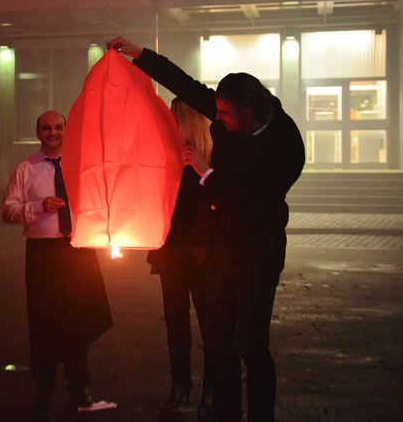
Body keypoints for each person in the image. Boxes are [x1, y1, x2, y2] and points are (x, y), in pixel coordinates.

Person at [107, 37, 305, 422]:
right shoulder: (227, 111)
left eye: (225, 115)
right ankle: (225, 412)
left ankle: (260, 415)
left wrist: (206, 171)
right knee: (217, 338)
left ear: (248, 112)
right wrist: (138, 54)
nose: (218, 120)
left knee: (251, 341)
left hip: (257, 252)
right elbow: (183, 85)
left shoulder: (285, 144)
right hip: (218, 249)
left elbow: (256, 202)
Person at [0, 110, 113, 415]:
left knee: (80, 319)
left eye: (59, 128)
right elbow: (7, 211)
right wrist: (38, 206)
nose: (53, 133)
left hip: (78, 250)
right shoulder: (26, 169)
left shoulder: (80, 166)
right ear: (38, 133)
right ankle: (44, 389)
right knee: (44, 322)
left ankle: (79, 386)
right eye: (47, 128)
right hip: (43, 255)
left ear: (67, 130)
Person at [148, 97, 214, 416]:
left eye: (175, 116)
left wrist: (203, 170)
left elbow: (219, 199)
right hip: (174, 251)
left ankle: (204, 388)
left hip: (199, 253)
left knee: (206, 322)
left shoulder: (210, 158)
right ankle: (183, 385)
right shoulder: (169, 154)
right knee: (179, 321)